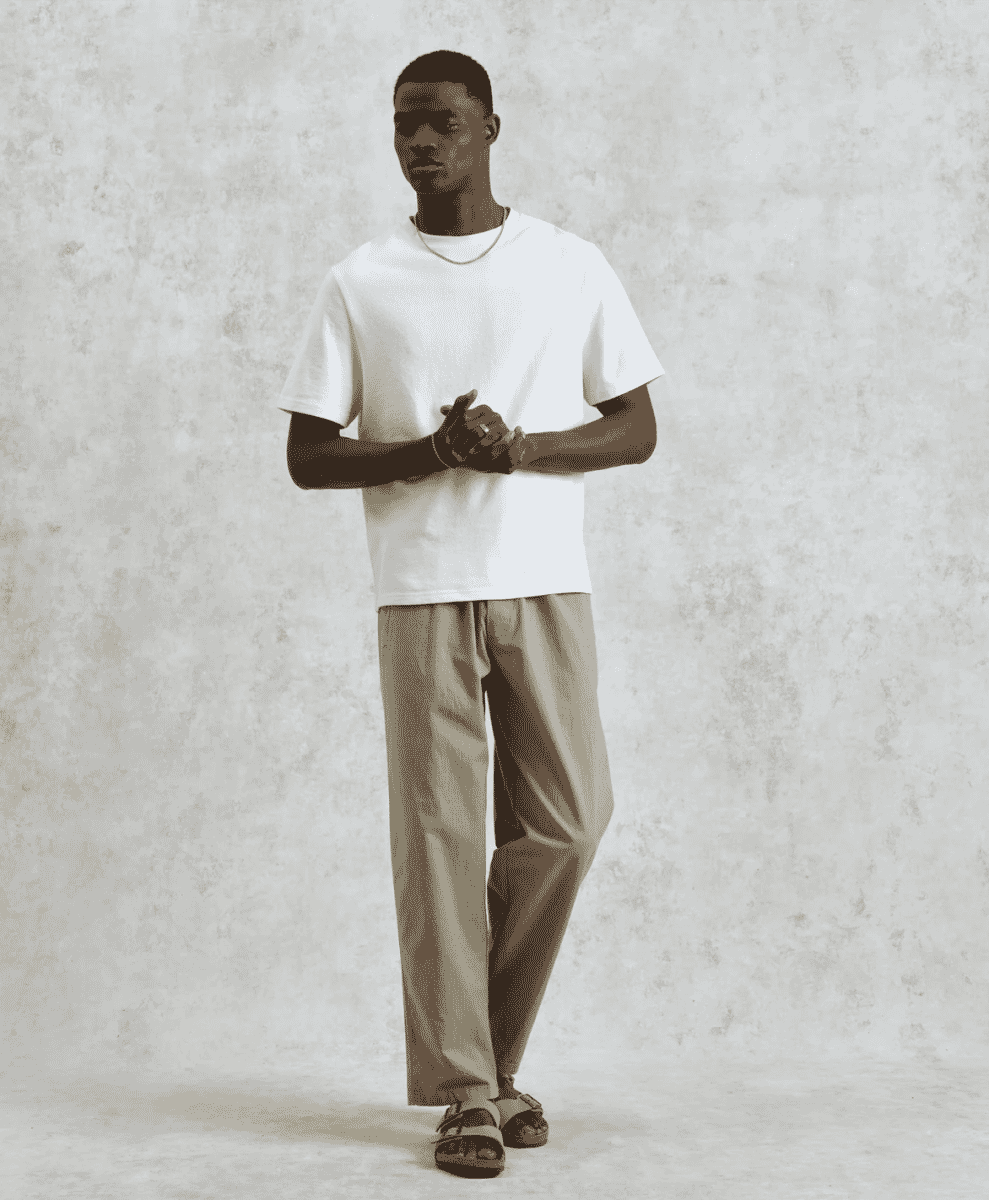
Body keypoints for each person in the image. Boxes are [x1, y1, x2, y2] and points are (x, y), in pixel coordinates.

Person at [275, 49, 665, 1179]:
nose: (418, 140)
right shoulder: (360, 280)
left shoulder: (567, 264)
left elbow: (635, 427)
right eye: (402, 123)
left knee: (570, 821)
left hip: (542, 576)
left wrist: (522, 449)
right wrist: (426, 451)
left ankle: (481, 1065)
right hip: (419, 590)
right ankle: (468, 1097)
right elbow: (307, 455)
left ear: (491, 125)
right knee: (440, 843)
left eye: (440, 120)